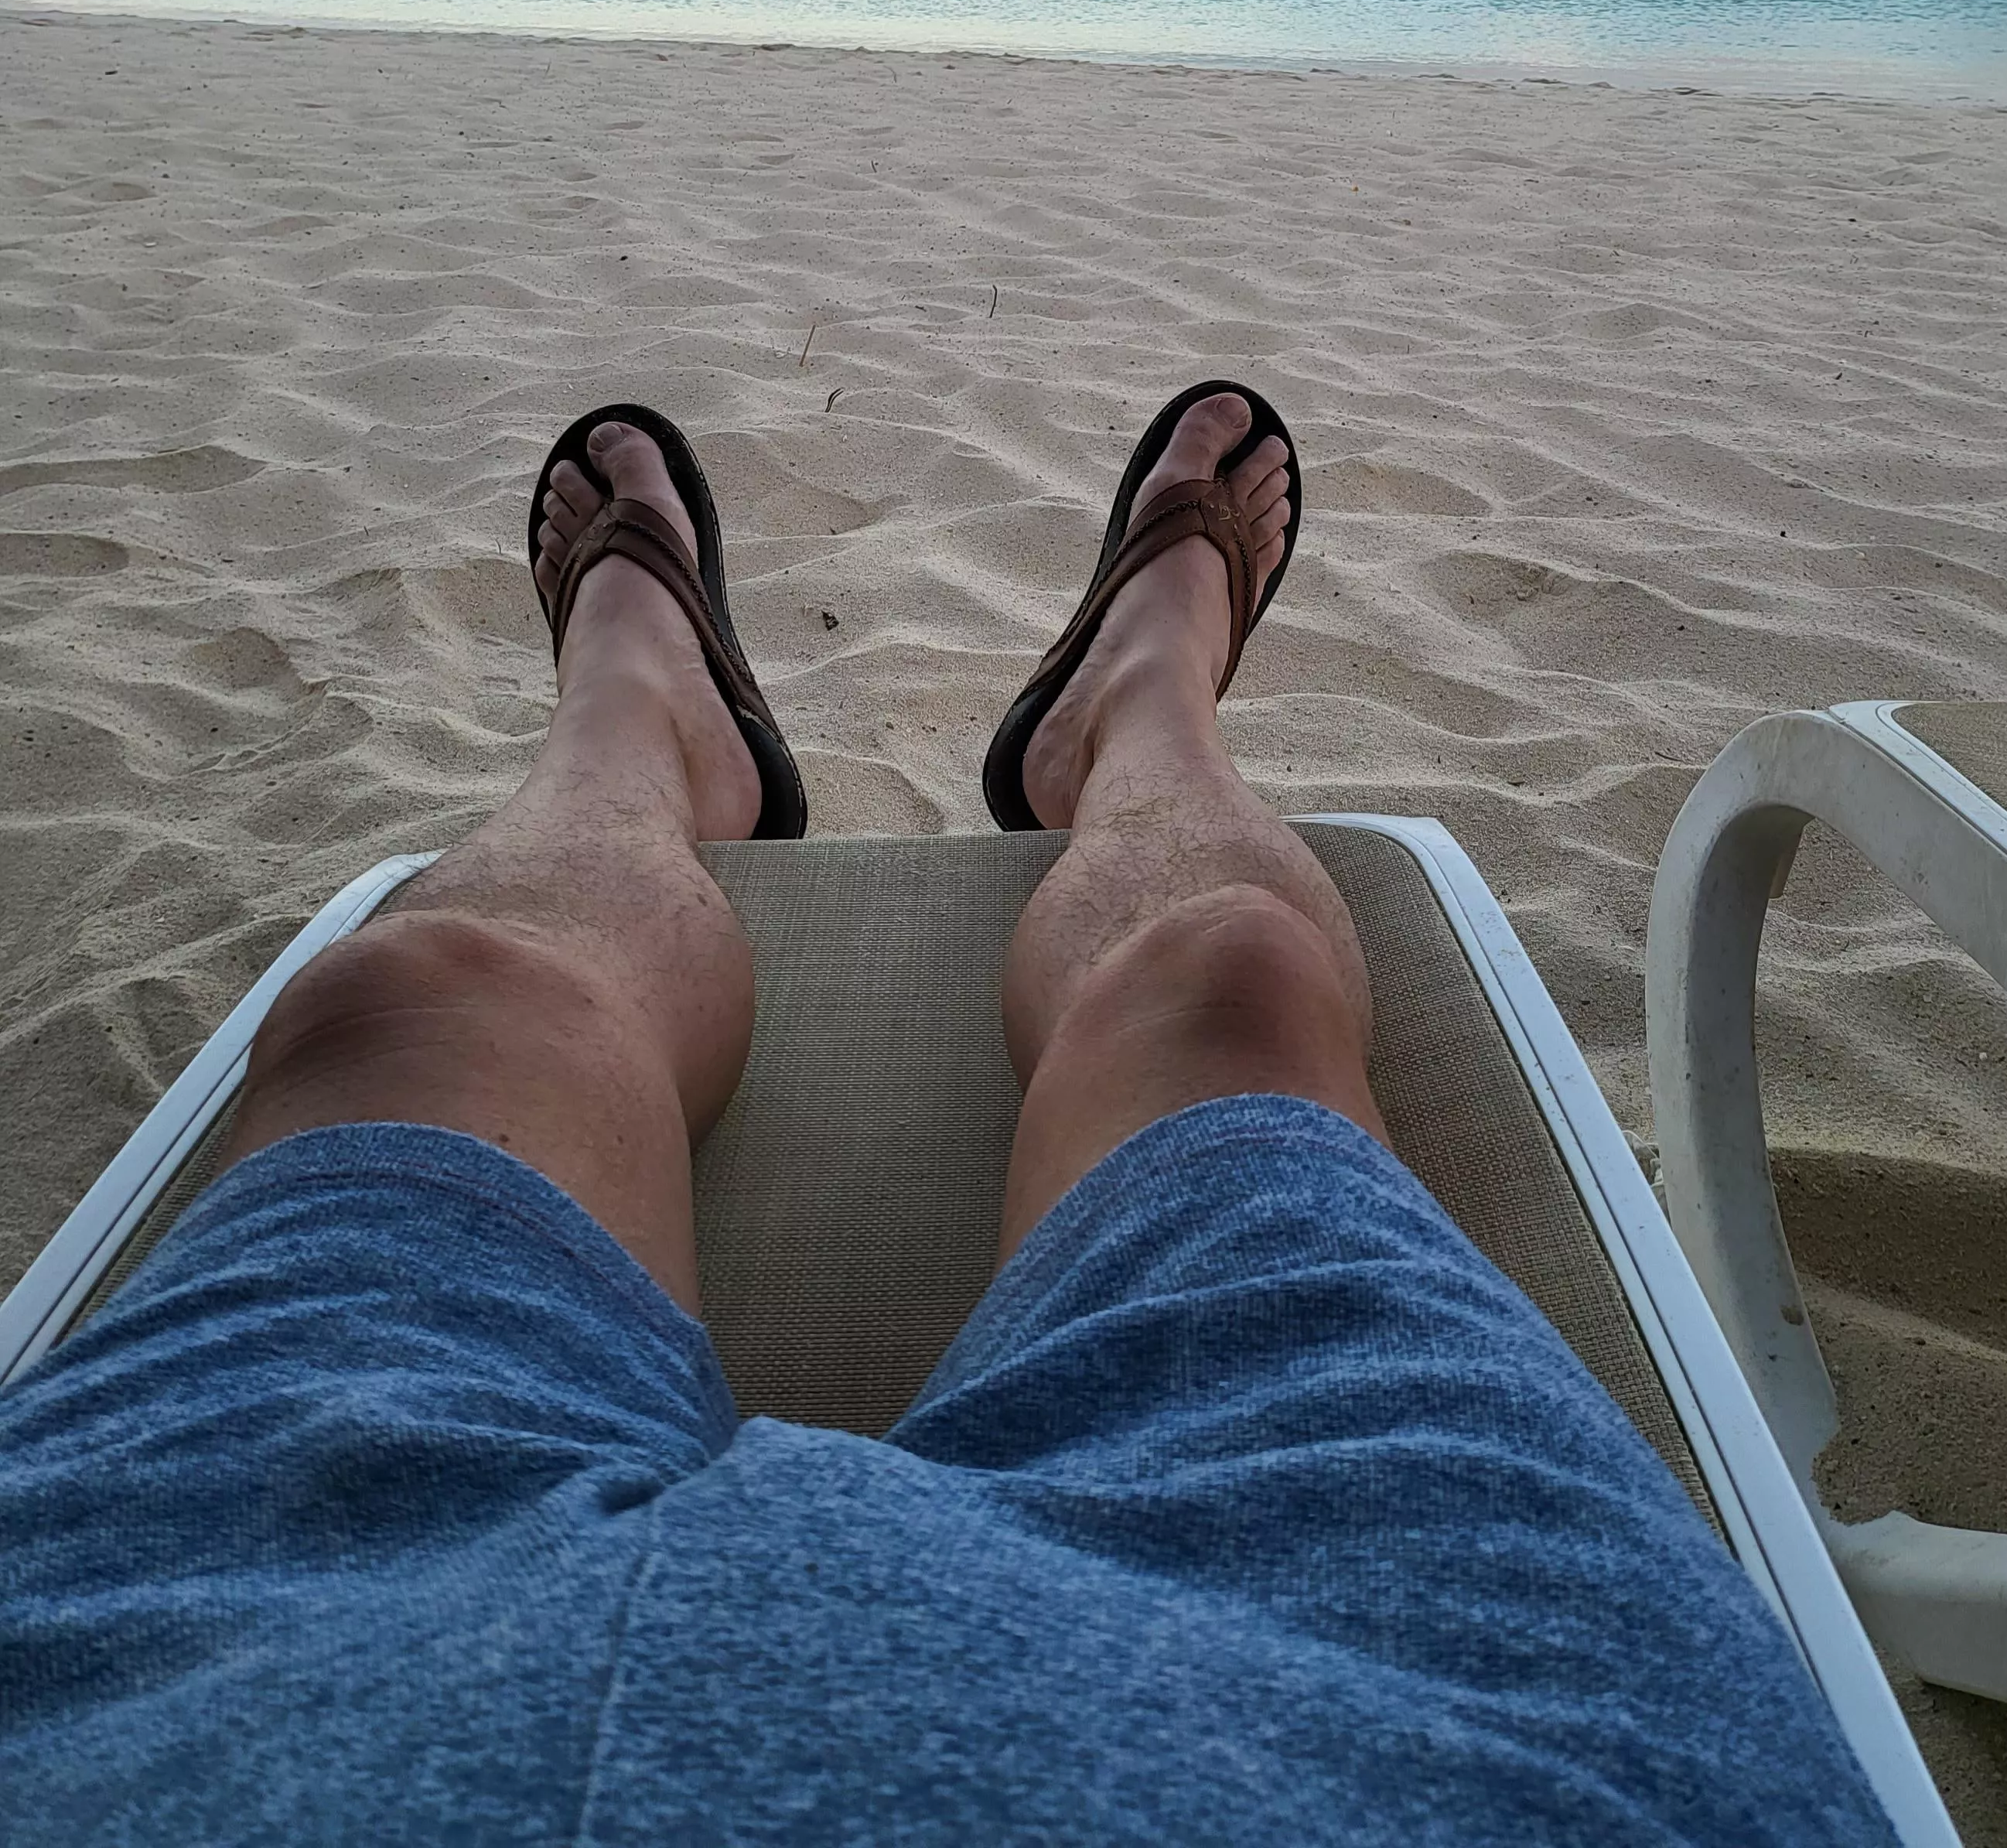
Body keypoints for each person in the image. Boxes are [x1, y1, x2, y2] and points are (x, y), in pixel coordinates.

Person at [0, 388, 1897, 1843]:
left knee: (415, 1006)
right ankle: (1136, 715)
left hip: (180, 1703)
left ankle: (643, 724)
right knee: (1227, 977)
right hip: (1411, 1721)